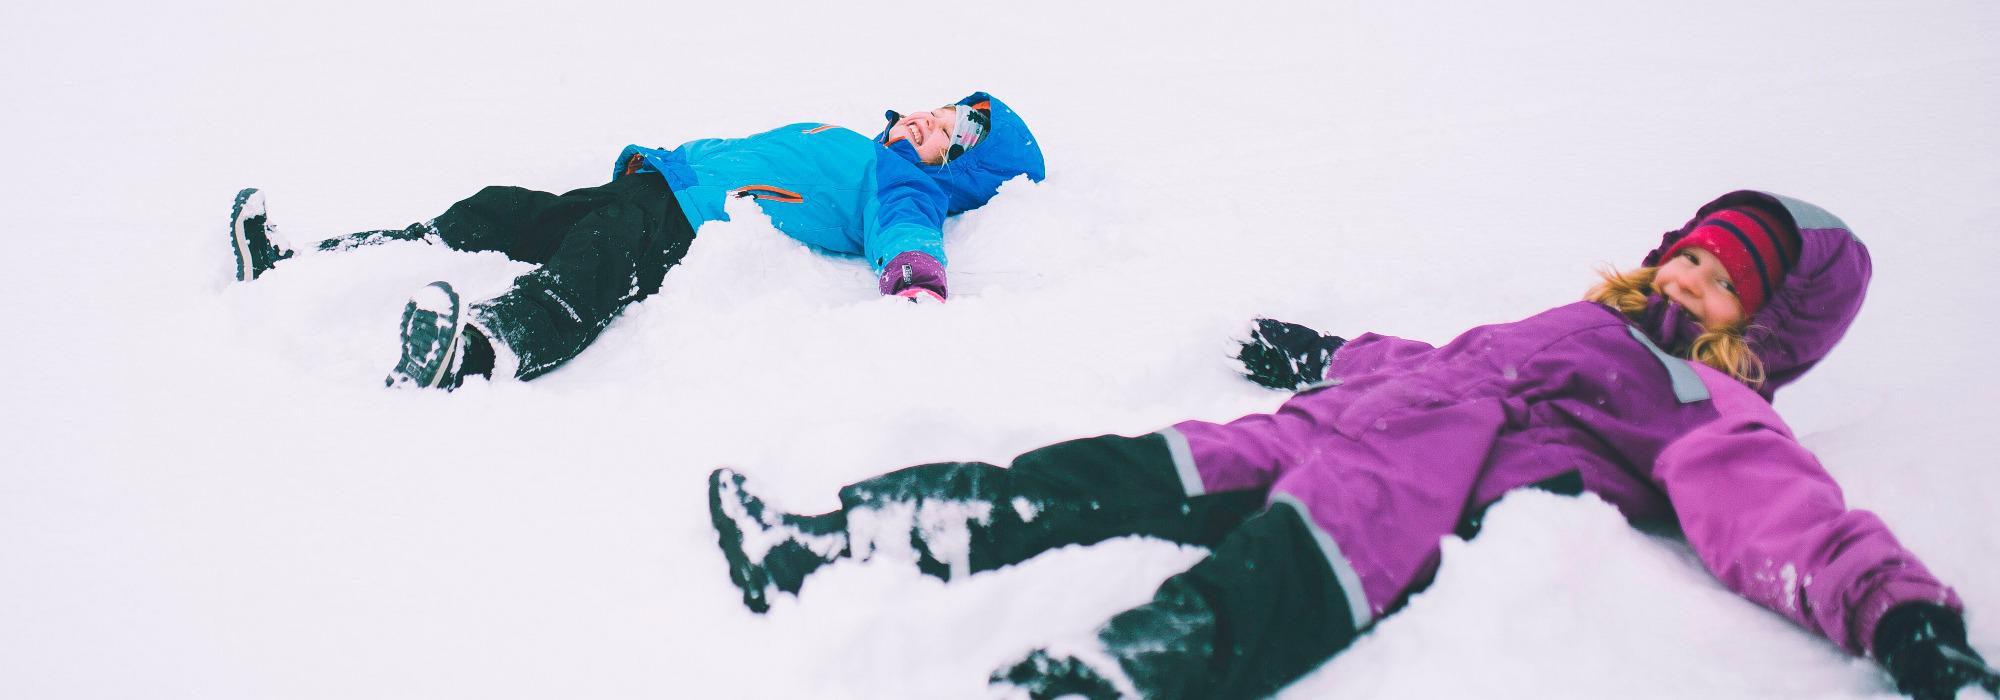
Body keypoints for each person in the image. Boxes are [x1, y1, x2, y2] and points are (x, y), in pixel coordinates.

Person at [706, 191, 1998, 699]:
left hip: (1402, 505)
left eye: (1727, 279)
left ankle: (1078, 683)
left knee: (1229, 605)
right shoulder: (1574, 318)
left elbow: (1782, 517)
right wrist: (1326, 355)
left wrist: (1901, 618)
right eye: (1696, 250)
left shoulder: (1705, 401)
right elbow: (1444, 370)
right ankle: (823, 540)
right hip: (1316, 430)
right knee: (1085, 478)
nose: (1696, 274)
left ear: (1750, 328)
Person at [224, 91, 1044, 388]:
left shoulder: (899, 181)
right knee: (496, 213)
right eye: (941, 109)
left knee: (599, 256)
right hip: (662, 187)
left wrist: (914, 277)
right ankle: (301, 271)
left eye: (952, 137)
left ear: (954, 175)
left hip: (693, 227)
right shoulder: (862, 144)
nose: (933, 121)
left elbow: (906, 229)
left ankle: (487, 347)